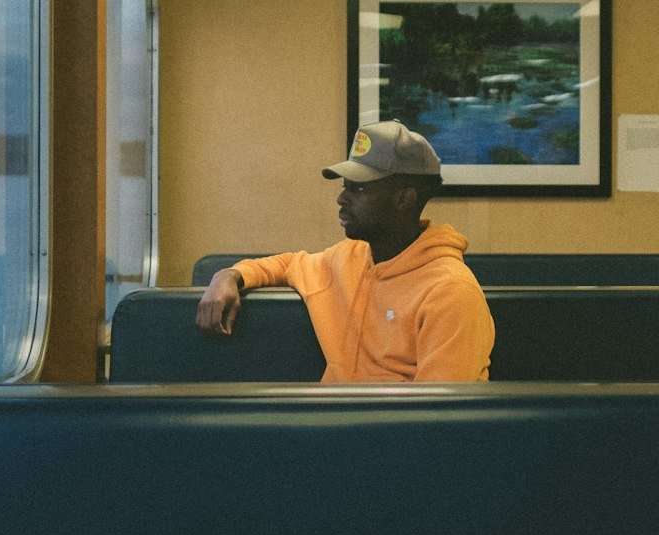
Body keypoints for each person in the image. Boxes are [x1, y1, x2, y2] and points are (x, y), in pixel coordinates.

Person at [195, 120, 494, 382]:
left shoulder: (451, 292)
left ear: (404, 199)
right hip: (334, 430)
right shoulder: (348, 258)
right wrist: (229, 276)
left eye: (358, 189)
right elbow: (287, 265)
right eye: (345, 186)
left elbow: (438, 423)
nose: (341, 198)